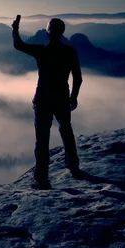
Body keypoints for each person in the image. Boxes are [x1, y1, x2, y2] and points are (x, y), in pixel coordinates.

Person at [11, 15, 83, 189]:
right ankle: (73, 166)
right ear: (62, 32)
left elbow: (18, 45)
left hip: (43, 99)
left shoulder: (41, 50)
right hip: (62, 98)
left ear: (48, 32)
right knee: (66, 131)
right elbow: (78, 78)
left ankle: (42, 179)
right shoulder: (69, 52)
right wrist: (73, 97)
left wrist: (15, 29)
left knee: (42, 140)